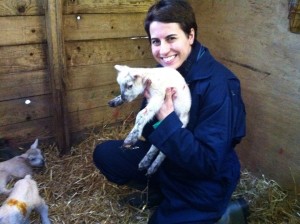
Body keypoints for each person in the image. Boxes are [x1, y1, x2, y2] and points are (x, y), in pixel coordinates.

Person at [93, 0, 247, 223]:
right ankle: (163, 192)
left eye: (171, 38)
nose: (163, 50)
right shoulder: (160, 72)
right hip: (172, 159)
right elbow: (148, 131)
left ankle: (226, 212)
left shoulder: (219, 84)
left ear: (190, 36)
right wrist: (154, 117)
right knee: (106, 155)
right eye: (156, 41)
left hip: (204, 179)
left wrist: (167, 120)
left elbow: (208, 162)